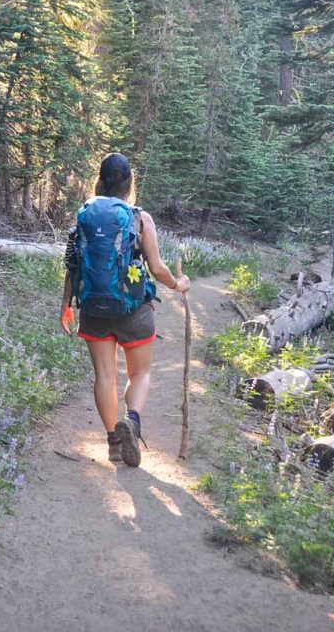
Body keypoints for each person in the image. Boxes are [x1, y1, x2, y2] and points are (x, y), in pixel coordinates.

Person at [60, 153, 190, 467]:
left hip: (93, 309)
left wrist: (65, 305)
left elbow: (73, 265)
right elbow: (157, 269)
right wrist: (178, 285)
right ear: (130, 183)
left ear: (100, 180)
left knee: (105, 376)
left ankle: (114, 442)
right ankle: (132, 421)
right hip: (134, 311)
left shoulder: (85, 214)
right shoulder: (140, 218)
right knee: (140, 372)